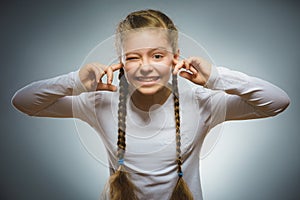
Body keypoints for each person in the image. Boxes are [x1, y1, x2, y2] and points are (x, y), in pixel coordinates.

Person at [12, 9, 290, 200]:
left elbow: (276, 102)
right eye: (133, 57)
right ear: (120, 61)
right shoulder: (100, 104)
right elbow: (24, 102)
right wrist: (75, 81)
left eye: (157, 55)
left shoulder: (202, 103)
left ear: (175, 57)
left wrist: (217, 77)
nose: (145, 67)